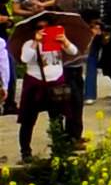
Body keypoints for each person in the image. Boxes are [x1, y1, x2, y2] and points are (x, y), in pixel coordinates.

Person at [12, 19, 72, 161]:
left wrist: (64, 41)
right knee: (28, 120)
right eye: (39, 27)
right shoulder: (29, 44)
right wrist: (35, 42)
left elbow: (73, 51)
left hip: (55, 84)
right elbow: (25, 58)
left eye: (46, 27)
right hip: (35, 84)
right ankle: (25, 151)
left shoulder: (56, 42)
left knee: (57, 119)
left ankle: (59, 148)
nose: (43, 30)